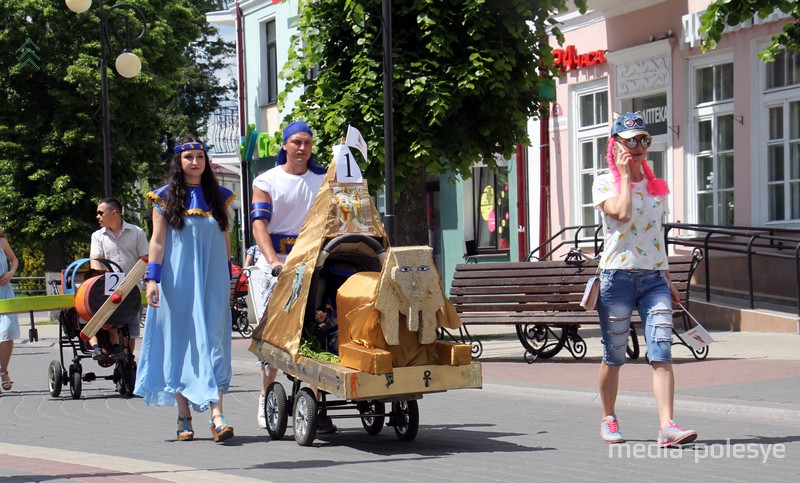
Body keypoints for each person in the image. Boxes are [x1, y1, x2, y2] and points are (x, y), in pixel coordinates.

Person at [592, 112, 697, 448]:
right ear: (616, 145)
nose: (638, 146)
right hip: (617, 277)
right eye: (630, 140)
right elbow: (622, 215)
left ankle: (667, 425)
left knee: (662, 351)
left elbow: (656, 237)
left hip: (653, 279)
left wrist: (667, 277)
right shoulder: (604, 182)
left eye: (643, 140)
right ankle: (609, 418)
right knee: (614, 355)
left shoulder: (656, 187)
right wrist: (624, 176)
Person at [134, 136, 236, 443]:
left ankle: (217, 416)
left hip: (213, 280)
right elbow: (158, 241)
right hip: (177, 281)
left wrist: (231, 275)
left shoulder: (220, 197)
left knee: (215, 342)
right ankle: (184, 414)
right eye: (189, 157)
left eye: (200, 157)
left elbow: (226, 239)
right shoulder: (164, 197)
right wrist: (152, 279)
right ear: (179, 162)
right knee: (181, 342)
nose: (195, 162)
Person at [250, 121, 327, 430]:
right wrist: (272, 262)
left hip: (311, 261)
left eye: (307, 143)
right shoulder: (267, 180)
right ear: (284, 145)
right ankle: (266, 394)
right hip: (276, 262)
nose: (301, 148)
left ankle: (313, 400)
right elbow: (259, 225)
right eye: (296, 142)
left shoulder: (322, 179)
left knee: (316, 328)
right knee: (272, 334)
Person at [89, 198, 149, 360]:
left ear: (114, 213)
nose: (97, 216)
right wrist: (99, 278)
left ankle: (128, 362)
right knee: (112, 325)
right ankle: (113, 354)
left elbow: (145, 259)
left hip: (133, 290)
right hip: (107, 291)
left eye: (100, 213)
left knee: (131, 332)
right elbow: (95, 260)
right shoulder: (97, 236)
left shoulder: (136, 232)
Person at [0, 227, 19, 394]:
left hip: (4, 290)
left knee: (7, 330)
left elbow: (14, 260)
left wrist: (10, 273)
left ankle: (3, 370)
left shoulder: (2, 242)